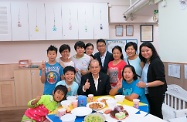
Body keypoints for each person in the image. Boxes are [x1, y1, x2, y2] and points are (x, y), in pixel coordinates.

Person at [137, 42, 167, 119]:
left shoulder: (156, 62)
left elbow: (161, 81)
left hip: (156, 93)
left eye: (147, 50)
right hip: (148, 92)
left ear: (152, 50)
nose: (145, 53)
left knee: (156, 114)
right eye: (142, 51)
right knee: (150, 113)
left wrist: (146, 85)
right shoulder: (146, 62)